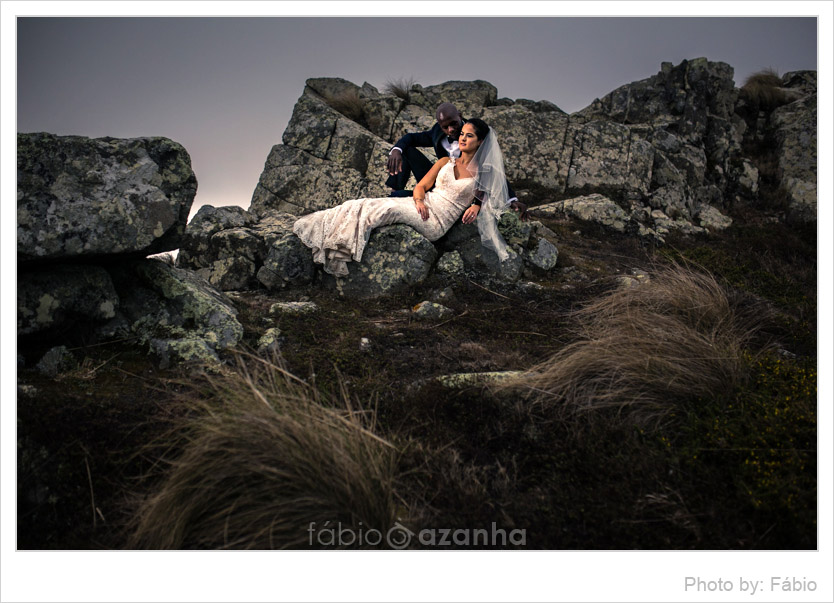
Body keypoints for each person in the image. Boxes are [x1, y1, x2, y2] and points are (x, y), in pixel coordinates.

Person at [293, 118, 511, 278]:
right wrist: (418, 201)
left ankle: (340, 251)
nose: (462, 138)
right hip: (423, 205)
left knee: (387, 210)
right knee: (363, 203)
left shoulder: (486, 172)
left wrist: (476, 205)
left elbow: (496, 194)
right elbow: (422, 187)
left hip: (437, 222)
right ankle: (331, 238)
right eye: (462, 134)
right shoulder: (445, 162)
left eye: (469, 135)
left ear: (481, 142)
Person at [386, 103, 528, 220]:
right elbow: (411, 138)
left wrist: (512, 199)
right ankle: (396, 188)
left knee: (397, 199)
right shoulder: (437, 131)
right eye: (445, 127)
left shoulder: (474, 136)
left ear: (459, 116)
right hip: (440, 180)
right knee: (405, 150)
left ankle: (399, 196)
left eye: (454, 124)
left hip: (458, 192)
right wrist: (396, 150)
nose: (451, 129)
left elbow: (492, 169)